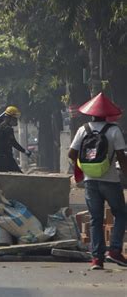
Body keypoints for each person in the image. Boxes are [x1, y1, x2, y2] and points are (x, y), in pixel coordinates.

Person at [68, 92, 127, 270]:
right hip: (110, 180)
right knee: (121, 214)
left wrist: (83, 167)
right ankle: (115, 250)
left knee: (95, 219)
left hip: (90, 181)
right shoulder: (114, 130)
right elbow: (121, 157)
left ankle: (96, 259)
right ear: (107, 114)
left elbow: (71, 153)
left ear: (91, 113)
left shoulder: (82, 129)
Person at [0, 106, 31, 172]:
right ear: (9, 118)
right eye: (14, 118)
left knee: (3, 178)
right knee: (18, 176)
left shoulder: (0, 125)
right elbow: (13, 142)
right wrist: (25, 151)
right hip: (6, 158)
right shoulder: (7, 129)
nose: (16, 120)